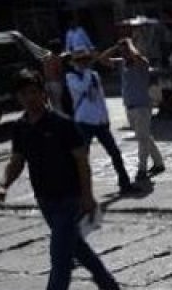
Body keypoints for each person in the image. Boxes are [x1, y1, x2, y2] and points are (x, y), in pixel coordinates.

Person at [0, 70, 120, 290]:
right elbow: (17, 161)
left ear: (43, 93)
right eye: (23, 94)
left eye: (33, 92)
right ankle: (106, 283)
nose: (29, 98)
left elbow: (82, 162)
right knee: (75, 246)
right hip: (45, 199)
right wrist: (3, 185)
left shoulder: (62, 124)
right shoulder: (21, 127)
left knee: (60, 256)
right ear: (18, 97)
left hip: (69, 198)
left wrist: (87, 196)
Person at [65, 49, 135, 194]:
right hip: (84, 121)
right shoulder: (72, 77)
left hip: (99, 121)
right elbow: (82, 87)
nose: (84, 63)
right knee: (82, 157)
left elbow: (100, 98)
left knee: (115, 153)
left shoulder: (94, 75)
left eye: (86, 60)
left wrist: (105, 117)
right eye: (80, 61)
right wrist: (86, 72)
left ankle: (125, 183)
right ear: (75, 63)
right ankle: (78, 189)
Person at [101, 38, 164, 186]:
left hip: (142, 106)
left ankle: (142, 169)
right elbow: (102, 59)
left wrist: (130, 46)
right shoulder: (121, 63)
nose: (124, 53)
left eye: (126, 50)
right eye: (122, 51)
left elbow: (138, 58)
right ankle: (159, 162)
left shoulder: (141, 62)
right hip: (129, 106)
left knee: (142, 139)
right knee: (144, 136)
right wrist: (115, 48)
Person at [42, 41, 66, 114]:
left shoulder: (45, 58)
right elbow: (60, 71)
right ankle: (60, 117)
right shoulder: (57, 58)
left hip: (47, 83)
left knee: (52, 104)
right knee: (58, 103)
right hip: (56, 82)